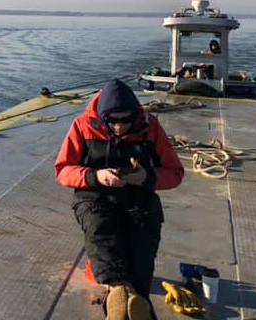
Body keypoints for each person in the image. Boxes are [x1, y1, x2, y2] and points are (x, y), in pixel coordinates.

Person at [54, 79, 184, 320]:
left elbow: (175, 173)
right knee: (100, 226)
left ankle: (126, 295)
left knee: (144, 233)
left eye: (126, 120)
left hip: (138, 195)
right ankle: (124, 292)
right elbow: (62, 170)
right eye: (113, 120)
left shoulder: (151, 127)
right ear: (102, 116)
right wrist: (96, 176)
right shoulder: (82, 126)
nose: (120, 126)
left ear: (135, 115)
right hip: (95, 194)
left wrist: (147, 177)